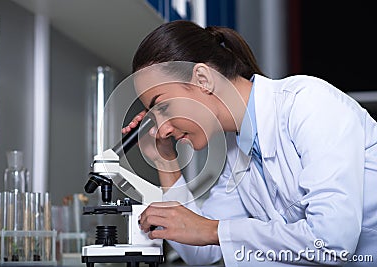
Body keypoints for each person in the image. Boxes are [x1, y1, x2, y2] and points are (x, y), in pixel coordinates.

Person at [122, 20, 377, 266]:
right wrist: (165, 160)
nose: (163, 128)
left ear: (202, 79)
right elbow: (201, 252)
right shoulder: (237, 149)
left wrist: (213, 230)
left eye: (162, 106)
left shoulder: (309, 103)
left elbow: (332, 242)